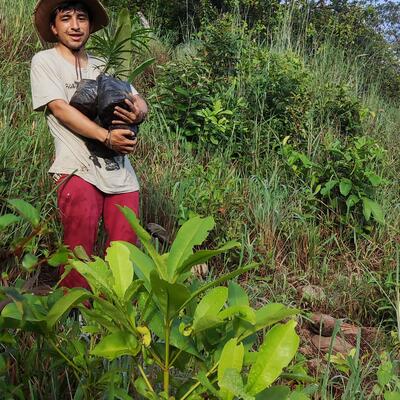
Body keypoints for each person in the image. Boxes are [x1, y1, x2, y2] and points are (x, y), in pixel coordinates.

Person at [30, 0, 148, 290]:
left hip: (120, 174)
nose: (75, 25)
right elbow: (60, 109)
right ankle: (75, 309)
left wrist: (140, 111)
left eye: (81, 18)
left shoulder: (104, 64)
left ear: (90, 25)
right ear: (53, 27)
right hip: (76, 169)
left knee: (124, 251)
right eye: (66, 18)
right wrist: (106, 137)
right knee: (78, 248)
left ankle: (116, 311)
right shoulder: (45, 61)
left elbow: (137, 98)